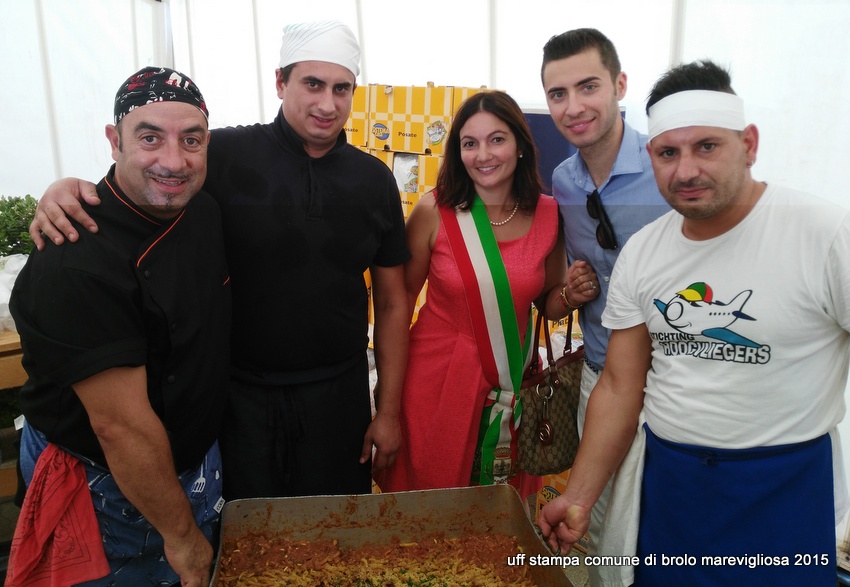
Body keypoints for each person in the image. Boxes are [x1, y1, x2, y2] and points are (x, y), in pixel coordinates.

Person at [27, 20, 410, 500]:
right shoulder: (222, 153)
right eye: (312, 84)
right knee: (244, 540)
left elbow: (395, 303)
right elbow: (147, 181)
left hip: (340, 395)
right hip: (236, 397)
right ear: (279, 82)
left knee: (334, 535)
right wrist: (64, 190)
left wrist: (388, 411)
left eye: (341, 88)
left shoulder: (374, 181)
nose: (327, 104)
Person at [538, 59, 850, 586]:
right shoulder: (646, 251)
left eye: (707, 146)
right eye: (668, 153)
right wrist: (578, 496)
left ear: (748, 144)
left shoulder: (824, 235)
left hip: (785, 487)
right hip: (670, 486)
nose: (685, 170)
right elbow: (618, 385)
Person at [7, 67, 230, 587]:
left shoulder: (201, 209)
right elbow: (120, 428)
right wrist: (183, 540)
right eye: (149, 137)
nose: (173, 161)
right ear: (114, 141)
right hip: (101, 485)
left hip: (193, 462)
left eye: (190, 140)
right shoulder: (75, 260)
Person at [376, 91, 595, 500]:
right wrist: (386, 399)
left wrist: (569, 295)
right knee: (431, 504)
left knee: (497, 516)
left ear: (520, 146)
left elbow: (545, 301)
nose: (483, 154)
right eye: (469, 143)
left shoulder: (550, 214)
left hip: (513, 377)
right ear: (457, 152)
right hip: (437, 381)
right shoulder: (433, 210)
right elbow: (398, 305)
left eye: (497, 139)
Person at [540, 27, 670, 584]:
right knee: (592, 525)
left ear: (619, 84)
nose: (574, 107)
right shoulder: (563, 180)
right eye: (558, 94)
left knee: (655, 525)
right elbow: (562, 287)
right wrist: (573, 287)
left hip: (675, 380)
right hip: (600, 373)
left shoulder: (668, 166)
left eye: (588, 86)